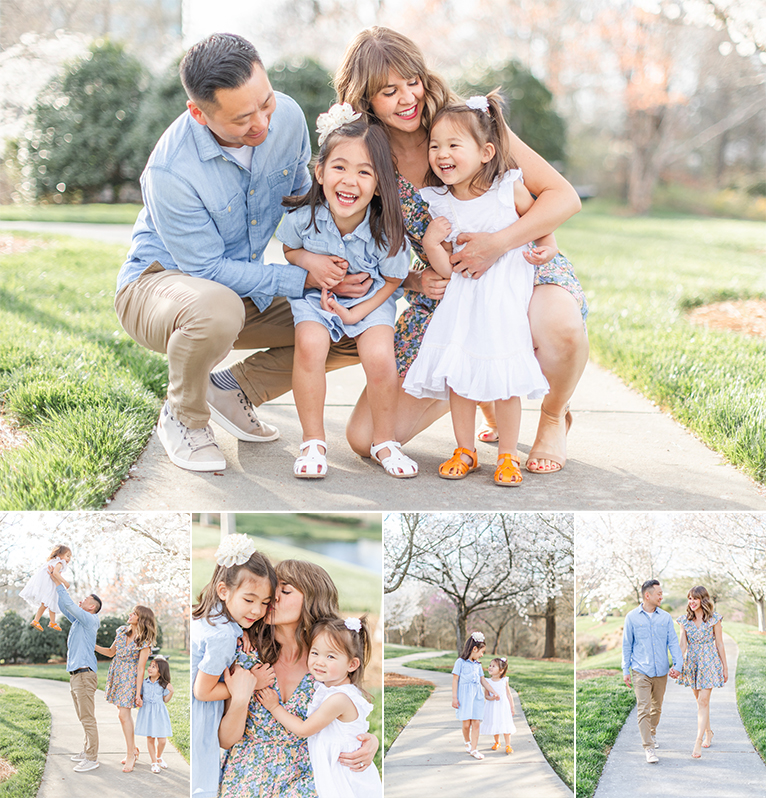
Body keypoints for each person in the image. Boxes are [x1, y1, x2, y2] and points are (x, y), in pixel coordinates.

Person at [335, 27, 589, 475]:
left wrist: (496, 244)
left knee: (561, 326)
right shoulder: (366, 157)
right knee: (366, 437)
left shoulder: (466, 122)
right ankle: (482, 391)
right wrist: (413, 280)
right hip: (448, 290)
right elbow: (361, 249)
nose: (407, 97)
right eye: (388, 91)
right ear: (365, 100)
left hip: (519, 267)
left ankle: (552, 415)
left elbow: (563, 196)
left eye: (412, 81)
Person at [115, 32, 363, 473]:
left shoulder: (285, 116)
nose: (262, 124)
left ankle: (236, 389)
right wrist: (302, 278)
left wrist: (333, 271)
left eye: (265, 103)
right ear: (198, 112)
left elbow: (305, 204)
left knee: (355, 320)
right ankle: (184, 417)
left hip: (239, 286)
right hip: (157, 286)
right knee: (216, 308)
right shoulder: (171, 172)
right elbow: (206, 270)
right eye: (243, 119)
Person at [403, 92, 555, 485]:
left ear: (486, 152)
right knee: (459, 377)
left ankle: (508, 455)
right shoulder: (441, 203)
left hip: (502, 305)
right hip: (464, 304)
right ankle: (465, 448)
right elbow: (450, 268)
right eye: (435, 145)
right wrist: (434, 245)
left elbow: (540, 217)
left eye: (454, 145)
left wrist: (548, 244)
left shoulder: (507, 189)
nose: (441, 153)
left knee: (504, 382)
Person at [276, 105, 415, 479]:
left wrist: (358, 313)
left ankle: (385, 441)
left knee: (381, 358)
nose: (349, 181)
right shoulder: (303, 219)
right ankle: (313, 441)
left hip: (371, 303)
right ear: (319, 172)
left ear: (380, 183)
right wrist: (310, 262)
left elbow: (391, 281)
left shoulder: (386, 231)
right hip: (315, 300)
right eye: (339, 167)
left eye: (364, 172)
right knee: (309, 346)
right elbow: (289, 251)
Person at [217, 559, 379, 797]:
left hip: (308, 780)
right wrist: (241, 697)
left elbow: (348, 714)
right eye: (273, 590)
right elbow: (226, 741)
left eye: (285, 590)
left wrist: (368, 741)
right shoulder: (247, 654)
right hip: (246, 778)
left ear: (312, 598)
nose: (273, 598)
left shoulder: (328, 666)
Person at [257, 615, 381, 798]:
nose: (319, 662)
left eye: (330, 656)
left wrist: (274, 707)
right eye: (315, 653)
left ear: (352, 664)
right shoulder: (330, 688)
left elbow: (304, 729)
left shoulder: (339, 698)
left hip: (344, 775)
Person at [191, 535, 276, 798]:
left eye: (265, 602)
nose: (258, 610)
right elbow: (202, 692)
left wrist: (243, 627)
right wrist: (252, 683)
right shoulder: (224, 636)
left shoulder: (213, 616)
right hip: (200, 719)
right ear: (223, 590)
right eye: (249, 600)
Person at [622, 579, 682, 764]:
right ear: (647, 595)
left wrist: (678, 665)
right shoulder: (631, 617)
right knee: (643, 709)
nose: (662, 596)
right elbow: (627, 645)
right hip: (640, 670)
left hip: (661, 671)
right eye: (659, 594)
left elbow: (673, 642)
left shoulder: (665, 618)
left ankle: (652, 733)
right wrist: (625, 669)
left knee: (657, 708)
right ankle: (648, 748)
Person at [48, 566, 102, 773]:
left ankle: (92, 758)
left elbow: (70, 603)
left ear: (92, 607)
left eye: (86, 600)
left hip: (85, 675)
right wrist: (55, 584)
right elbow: (64, 606)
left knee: (88, 718)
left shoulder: (90, 620)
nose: (82, 601)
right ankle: (87, 750)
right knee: (83, 717)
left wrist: (61, 583)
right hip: (76, 676)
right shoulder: (79, 622)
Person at [94, 605, 157, 772]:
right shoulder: (122, 631)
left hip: (130, 677)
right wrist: (92, 645)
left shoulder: (145, 642)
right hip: (116, 673)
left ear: (141, 618)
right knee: (122, 713)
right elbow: (109, 652)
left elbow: (141, 668)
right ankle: (134, 750)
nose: (130, 614)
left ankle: (131, 754)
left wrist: (138, 693)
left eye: (134, 613)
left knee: (123, 714)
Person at [676, 585, 728, 759]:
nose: (691, 602)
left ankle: (698, 742)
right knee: (700, 703)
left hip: (710, 662)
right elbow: (682, 645)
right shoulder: (684, 621)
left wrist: (725, 667)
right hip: (693, 663)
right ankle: (709, 732)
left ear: (703, 600)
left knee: (703, 701)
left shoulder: (714, 619)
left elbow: (720, 644)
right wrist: (676, 665)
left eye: (695, 598)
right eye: (689, 598)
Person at [451, 631, 497, 760]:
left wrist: (493, 691)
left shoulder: (478, 665)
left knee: (476, 723)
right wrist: (454, 698)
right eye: (481, 652)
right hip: (465, 698)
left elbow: (483, 680)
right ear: (474, 649)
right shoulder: (460, 662)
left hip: (477, 697)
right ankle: (467, 741)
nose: (482, 655)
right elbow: (455, 680)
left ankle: (474, 749)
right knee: (466, 724)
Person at [135, 656, 175, 774]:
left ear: (160, 671)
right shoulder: (144, 683)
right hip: (147, 712)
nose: (149, 668)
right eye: (150, 666)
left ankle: (158, 756)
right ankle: (154, 762)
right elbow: (140, 696)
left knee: (162, 740)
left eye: (154, 667)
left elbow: (165, 700)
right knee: (150, 738)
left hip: (159, 713)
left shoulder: (163, 684)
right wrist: (139, 701)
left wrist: (171, 691)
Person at [19, 544, 72, 631]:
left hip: (45, 583)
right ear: (59, 555)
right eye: (67, 556)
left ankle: (51, 622)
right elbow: (55, 573)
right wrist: (65, 582)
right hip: (49, 584)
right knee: (47, 602)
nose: (69, 559)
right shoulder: (60, 563)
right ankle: (39, 621)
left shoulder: (52, 562)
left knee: (51, 601)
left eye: (70, 557)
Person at [480, 656, 516, 754]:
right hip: (492, 706)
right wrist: (492, 698)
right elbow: (486, 696)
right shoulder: (487, 681)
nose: (490, 668)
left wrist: (512, 707)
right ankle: (497, 742)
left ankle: (508, 745)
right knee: (494, 723)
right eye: (490, 665)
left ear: (501, 670)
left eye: (494, 666)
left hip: (503, 706)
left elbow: (508, 694)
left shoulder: (504, 681)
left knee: (505, 724)